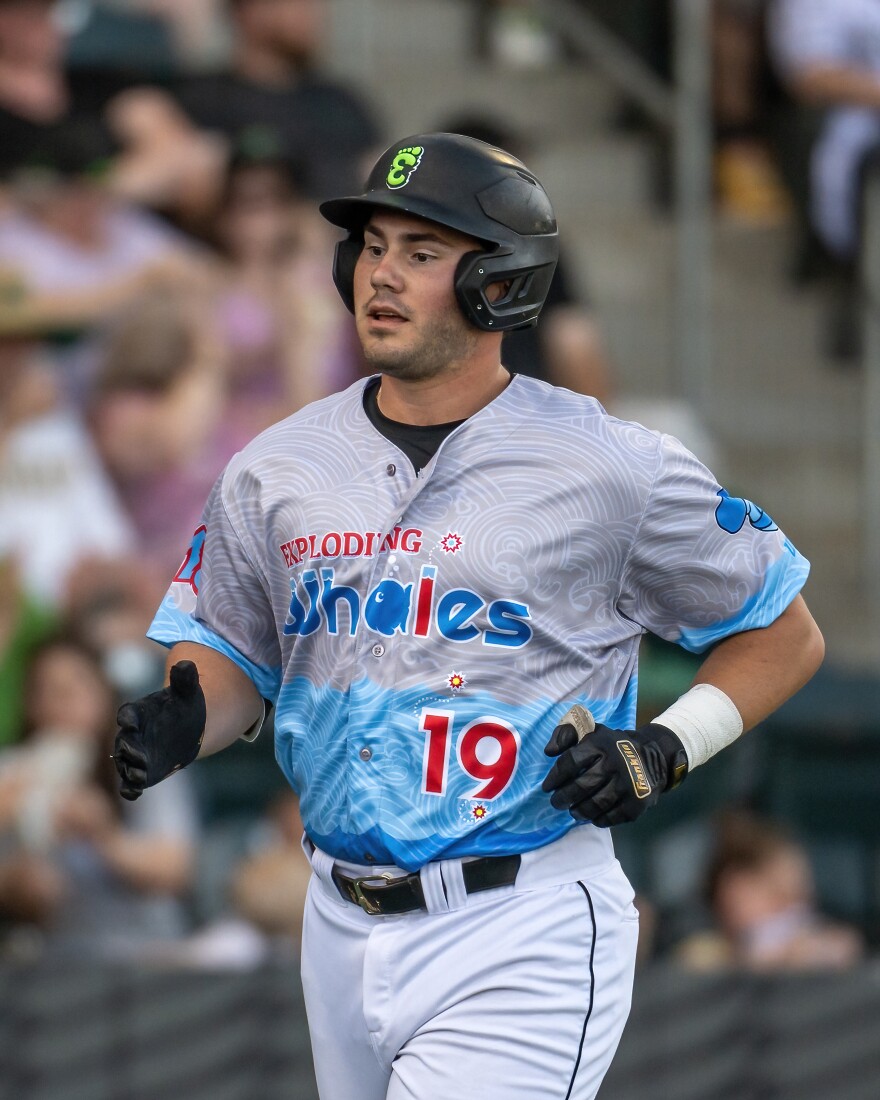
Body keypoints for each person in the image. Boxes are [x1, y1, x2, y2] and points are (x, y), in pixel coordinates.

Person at [112, 133, 824, 1099]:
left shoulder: (612, 464)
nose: (381, 275)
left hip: (517, 912)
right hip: (337, 917)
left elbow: (783, 631)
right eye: (370, 246)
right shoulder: (276, 465)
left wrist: (662, 747)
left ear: (503, 283)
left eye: (421, 251)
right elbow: (238, 664)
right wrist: (191, 720)